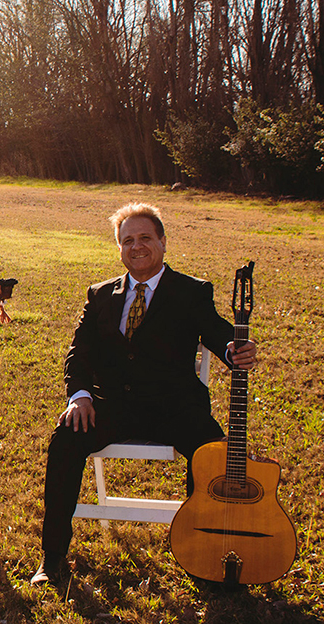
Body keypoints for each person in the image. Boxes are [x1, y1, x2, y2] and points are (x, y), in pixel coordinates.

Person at [31, 202, 258, 585]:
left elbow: (217, 331)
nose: (136, 247)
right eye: (127, 240)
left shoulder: (191, 291)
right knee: (65, 439)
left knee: (211, 453)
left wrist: (233, 349)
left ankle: (203, 554)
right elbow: (78, 353)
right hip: (112, 406)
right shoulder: (101, 294)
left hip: (175, 408)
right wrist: (80, 396)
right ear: (119, 247)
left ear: (163, 242)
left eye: (145, 238)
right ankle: (52, 558)